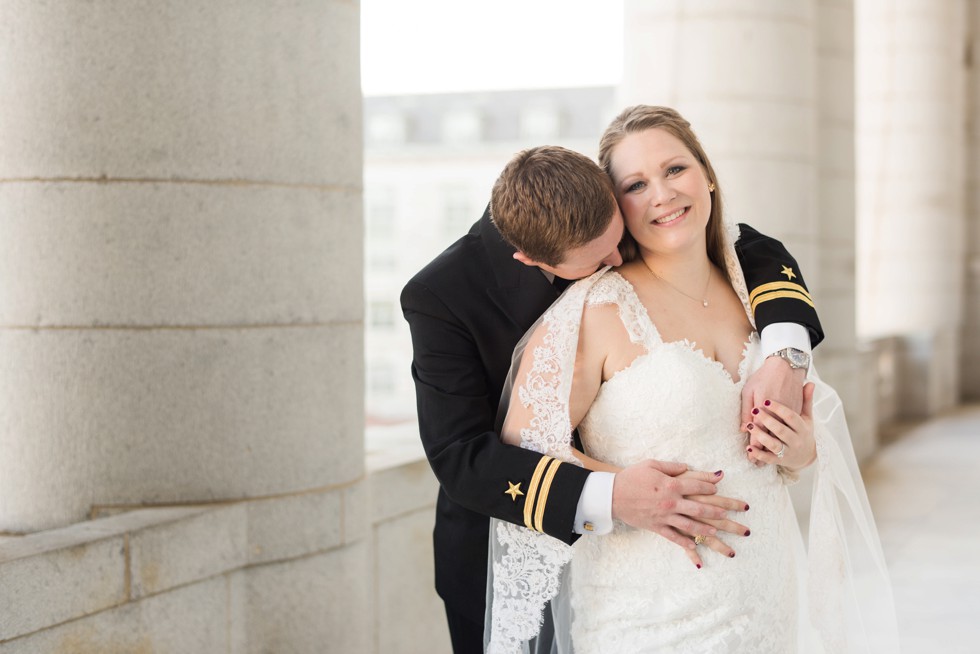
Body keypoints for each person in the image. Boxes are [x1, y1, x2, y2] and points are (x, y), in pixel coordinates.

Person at [485, 106, 897, 652]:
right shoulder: (594, 311)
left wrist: (797, 451)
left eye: (675, 170)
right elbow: (525, 448)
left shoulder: (759, 297)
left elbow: (789, 452)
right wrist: (619, 491)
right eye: (636, 184)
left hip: (769, 598)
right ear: (615, 206)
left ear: (706, 173)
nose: (662, 194)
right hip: (652, 612)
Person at [401, 147, 823, 653]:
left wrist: (785, 354)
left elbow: (747, 244)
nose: (620, 261)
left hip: (689, 572)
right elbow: (462, 456)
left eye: (618, 241)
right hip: (513, 529)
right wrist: (612, 494)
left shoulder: (585, 187)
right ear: (531, 261)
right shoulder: (439, 295)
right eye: (599, 260)